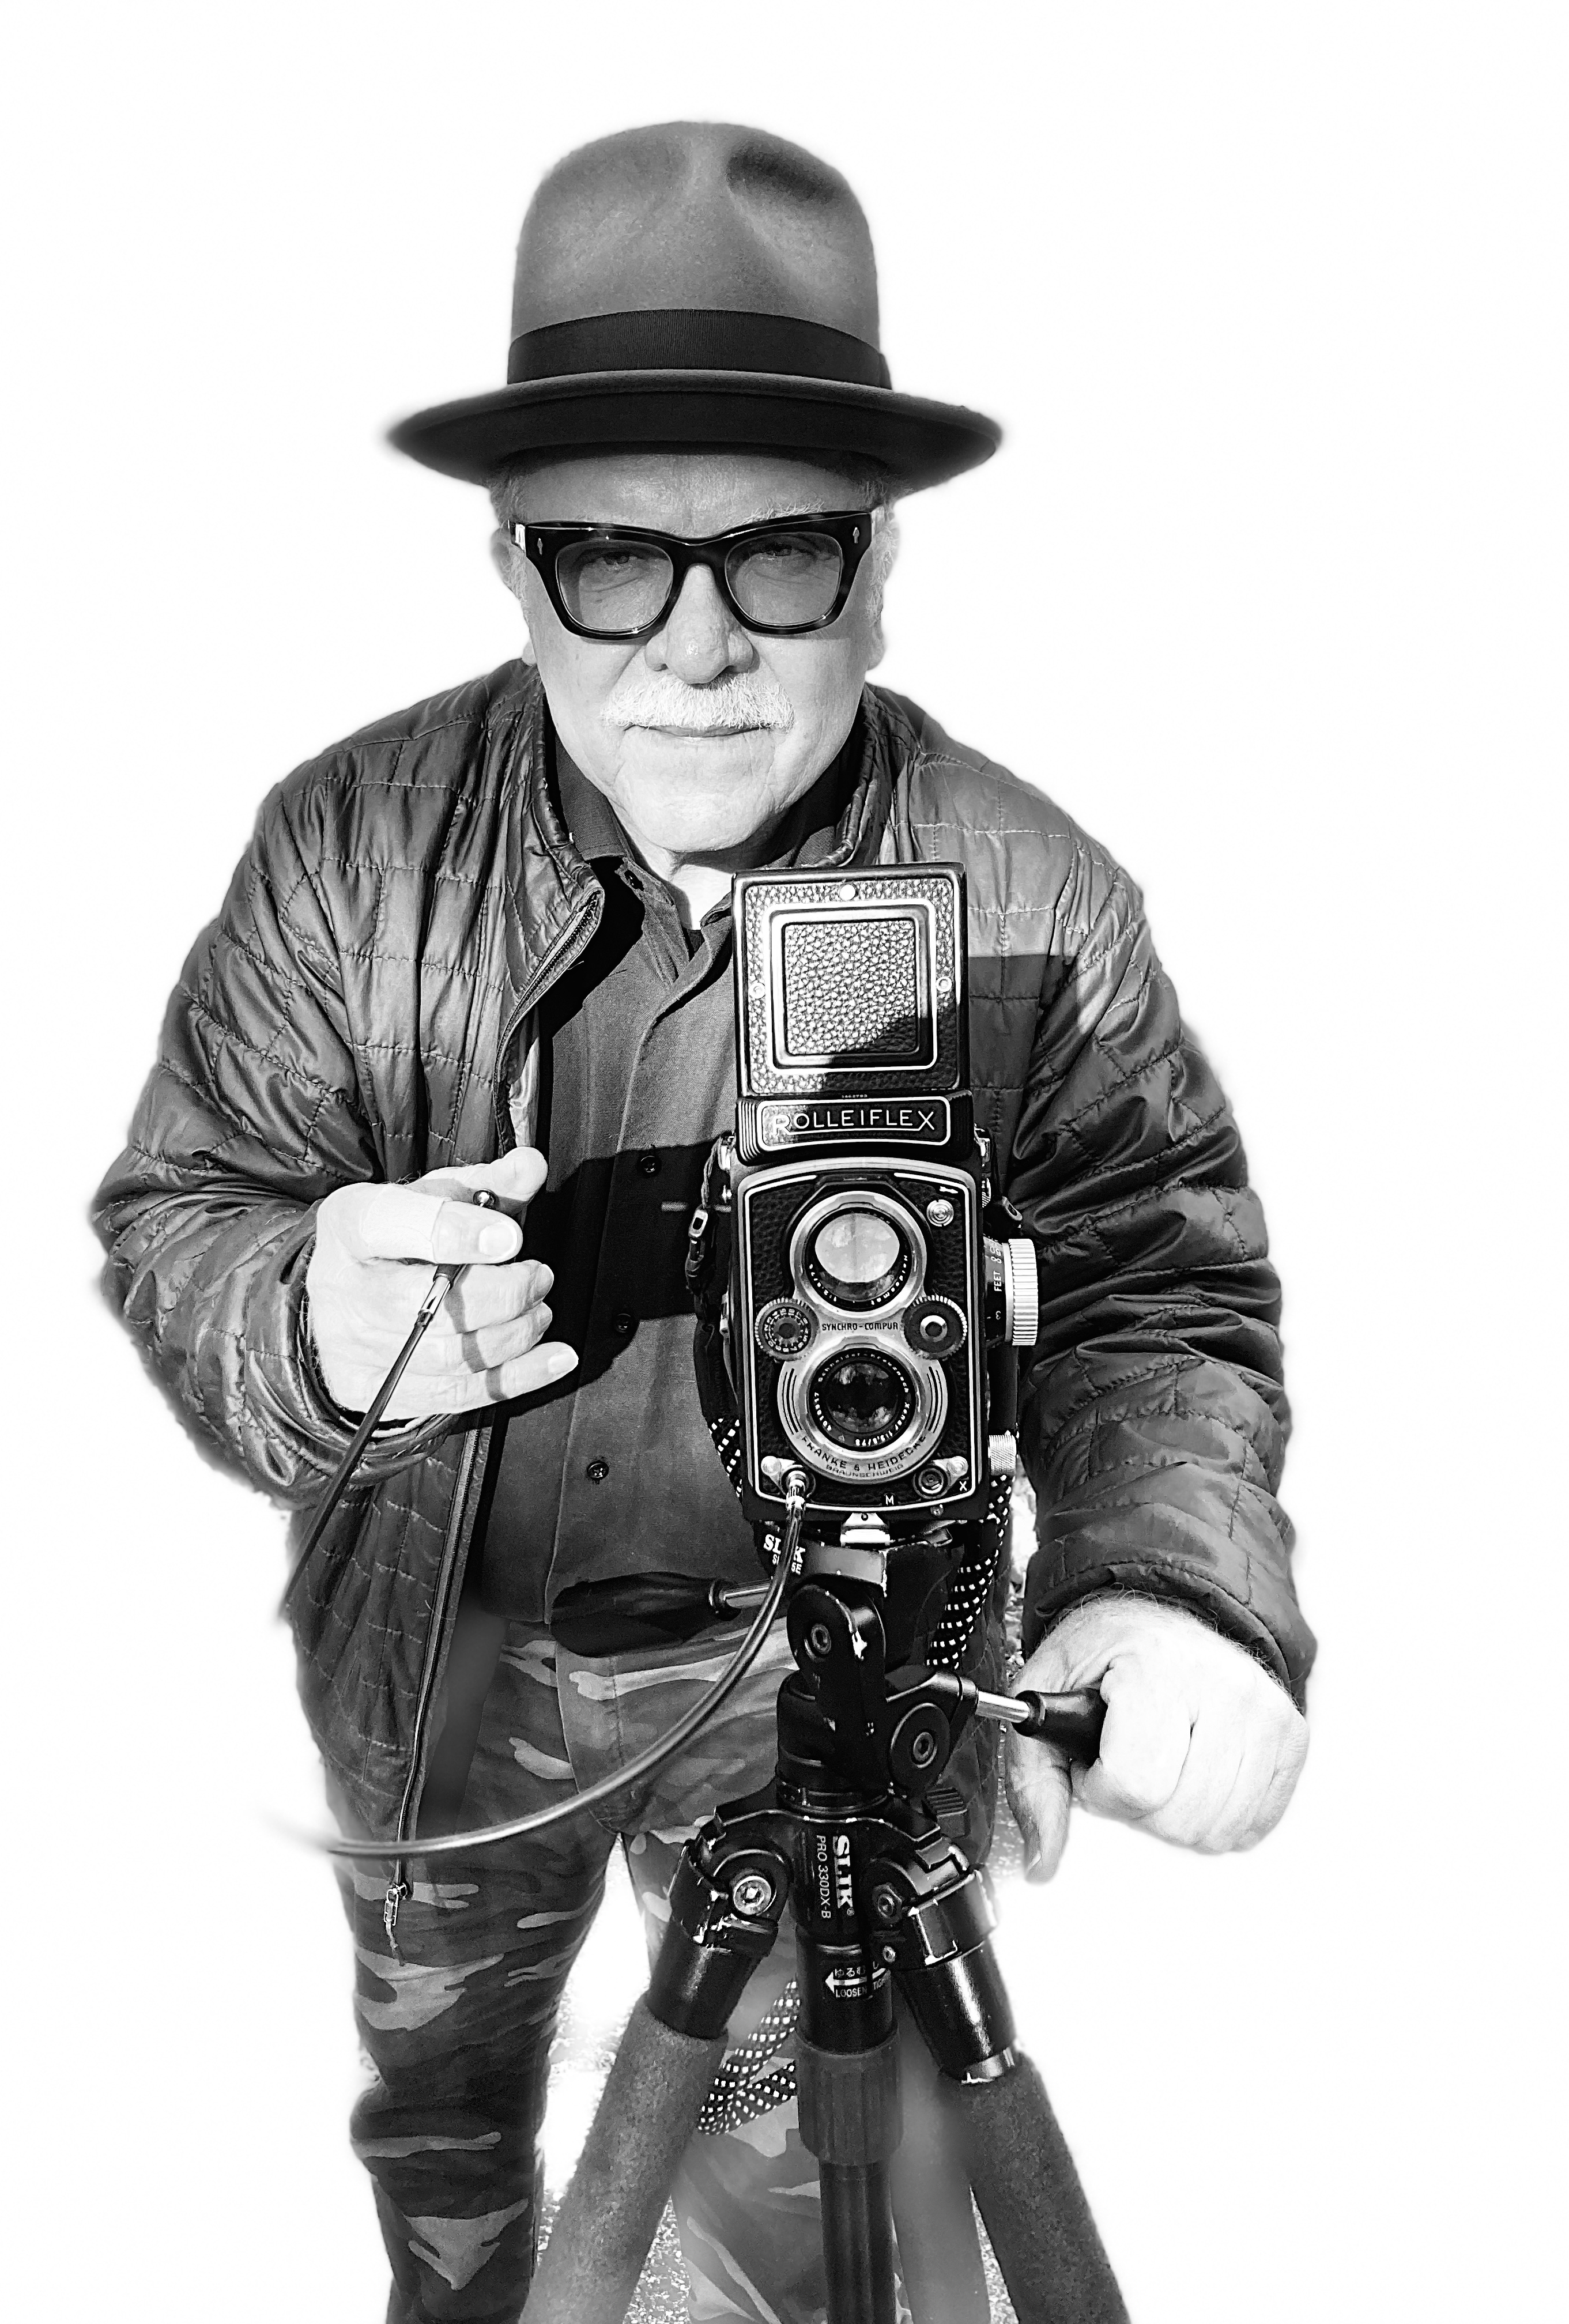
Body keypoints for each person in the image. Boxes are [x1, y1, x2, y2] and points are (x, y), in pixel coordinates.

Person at [95, 122, 1314, 2324]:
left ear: (878, 564)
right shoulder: (350, 848)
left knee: (784, 2205)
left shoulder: (1024, 896)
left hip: (830, 1686)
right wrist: (305, 1316)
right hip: (443, 1667)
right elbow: (188, 1205)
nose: (697, 648)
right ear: (510, 561)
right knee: (443, 2127)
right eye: (609, 561)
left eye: (778, 559)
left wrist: (1164, 1587)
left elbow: (1159, 1285)